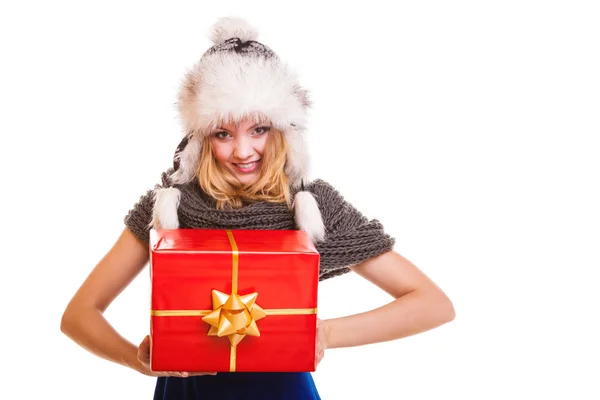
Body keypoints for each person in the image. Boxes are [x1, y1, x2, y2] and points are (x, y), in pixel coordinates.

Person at [60, 16, 455, 399]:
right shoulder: (170, 204)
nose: (243, 151)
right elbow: (78, 315)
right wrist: (137, 360)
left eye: (259, 129)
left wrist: (325, 333)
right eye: (223, 133)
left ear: (283, 130)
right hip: (186, 392)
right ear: (201, 137)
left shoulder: (311, 206)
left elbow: (431, 304)